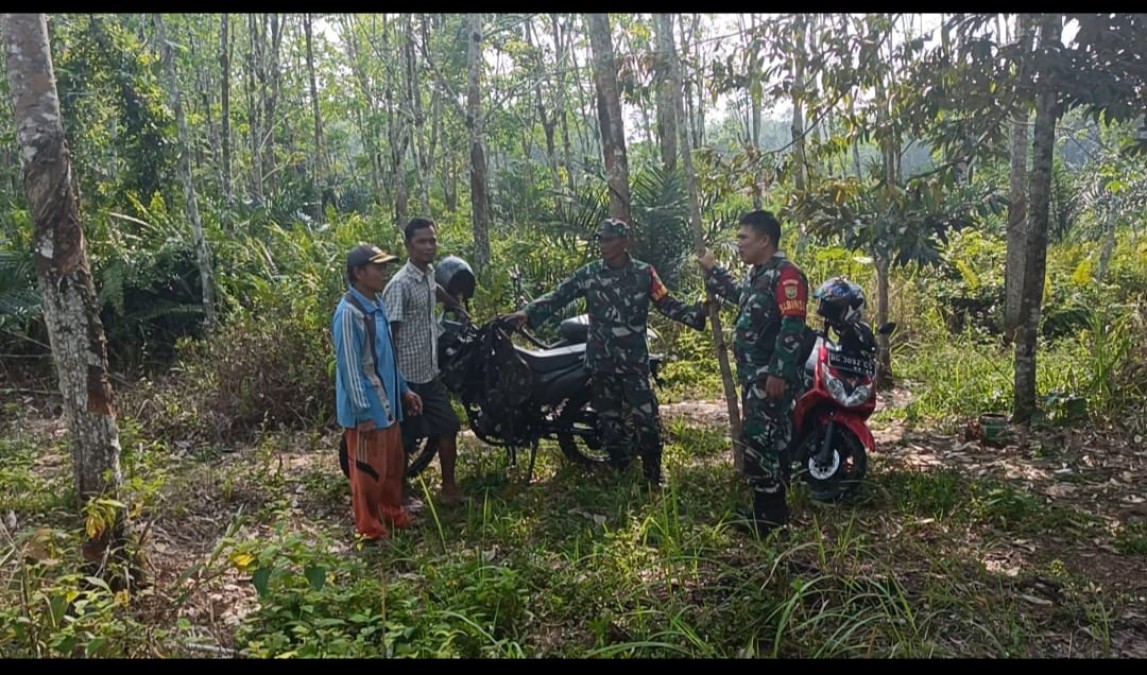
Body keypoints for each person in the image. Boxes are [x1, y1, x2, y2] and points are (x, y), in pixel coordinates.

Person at [504, 218, 707, 486]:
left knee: (646, 418)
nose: (603, 245)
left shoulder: (644, 273)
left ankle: (653, 474)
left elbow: (666, 303)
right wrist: (527, 314)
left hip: (633, 363)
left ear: (623, 241)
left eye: (608, 239)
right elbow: (559, 295)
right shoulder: (590, 273)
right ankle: (620, 470)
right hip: (602, 361)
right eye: (600, 239)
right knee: (609, 420)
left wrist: (696, 314)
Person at [697, 209, 810, 537]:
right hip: (754, 376)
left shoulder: (787, 275)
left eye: (744, 238)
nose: (739, 244)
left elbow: (792, 327)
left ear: (765, 240)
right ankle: (771, 512)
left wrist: (779, 372)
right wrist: (714, 270)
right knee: (769, 441)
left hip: (768, 378)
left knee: (762, 442)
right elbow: (740, 297)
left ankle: (768, 518)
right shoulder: (758, 274)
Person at [333, 243, 424, 541]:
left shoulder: (378, 304)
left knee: (392, 466)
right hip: (368, 409)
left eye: (385, 267)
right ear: (359, 273)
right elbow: (350, 368)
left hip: (388, 404)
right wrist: (363, 414)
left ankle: (391, 514)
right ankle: (370, 530)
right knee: (367, 472)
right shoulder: (349, 313)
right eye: (378, 267)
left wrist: (404, 390)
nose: (384, 273)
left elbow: (387, 357)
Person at [382, 217, 469, 506]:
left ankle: (449, 489)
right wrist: (398, 384)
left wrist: (456, 306)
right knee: (405, 439)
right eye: (422, 241)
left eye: (432, 240)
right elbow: (389, 335)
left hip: (429, 373)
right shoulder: (400, 285)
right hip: (407, 377)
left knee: (448, 425)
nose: (429, 246)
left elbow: (435, 289)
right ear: (408, 246)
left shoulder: (428, 273)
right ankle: (399, 497)